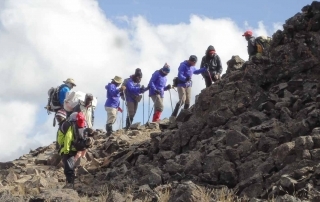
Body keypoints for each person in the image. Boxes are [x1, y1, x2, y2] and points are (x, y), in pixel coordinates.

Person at [55, 110, 77, 189]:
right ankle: (70, 183)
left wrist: (67, 150)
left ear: (63, 117)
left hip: (68, 149)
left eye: (59, 117)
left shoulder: (66, 124)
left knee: (69, 167)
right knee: (68, 167)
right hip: (66, 149)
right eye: (57, 117)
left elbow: (68, 137)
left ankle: (70, 184)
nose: (57, 118)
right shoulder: (63, 124)